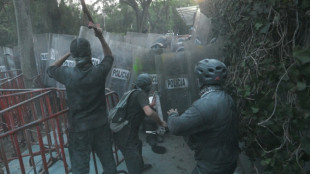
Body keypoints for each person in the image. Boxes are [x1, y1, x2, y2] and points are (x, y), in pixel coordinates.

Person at [47, 27, 116, 174]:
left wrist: (69, 53)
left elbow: (51, 69)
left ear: (74, 56)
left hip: (79, 130)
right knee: (109, 165)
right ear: (90, 53)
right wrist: (100, 37)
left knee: (80, 169)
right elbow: (109, 56)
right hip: (101, 126)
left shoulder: (68, 75)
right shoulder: (99, 72)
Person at [167, 58, 239, 174]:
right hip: (228, 161)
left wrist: (173, 115)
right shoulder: (227, 98)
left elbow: (176, 127)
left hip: (211, 166)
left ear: (199, 81)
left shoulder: (204, 105)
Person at [113, 73, 167, 174]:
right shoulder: (140, 94)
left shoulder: (134, 92)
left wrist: (149, 105)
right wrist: (160, 122)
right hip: (124, 134)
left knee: (138, 144)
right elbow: (149, 112)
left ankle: (140, 166)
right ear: (147, 86)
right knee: (132, 156)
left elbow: (138, 107)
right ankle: (137, 169)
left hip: (126, 131)